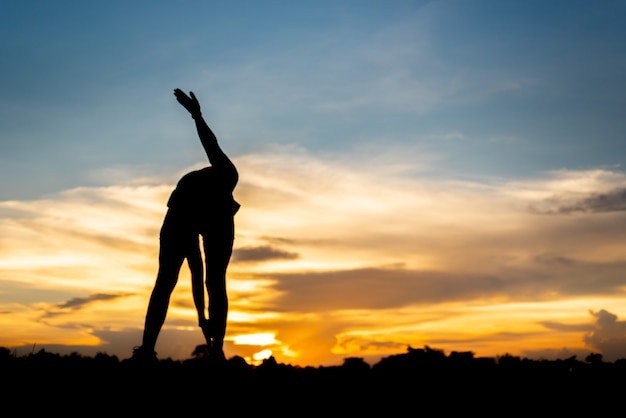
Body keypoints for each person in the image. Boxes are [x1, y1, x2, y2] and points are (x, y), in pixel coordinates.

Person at [133, 89, 240, 362]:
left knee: (216, 282)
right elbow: (195, 267)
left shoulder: (226, 177)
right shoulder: (183, 209)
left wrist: (197, 116)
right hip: (182, 210)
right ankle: (146, 351)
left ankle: (217, 349)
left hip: (203, 209)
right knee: (166, 281)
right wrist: (200, 314)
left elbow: (211, 145)